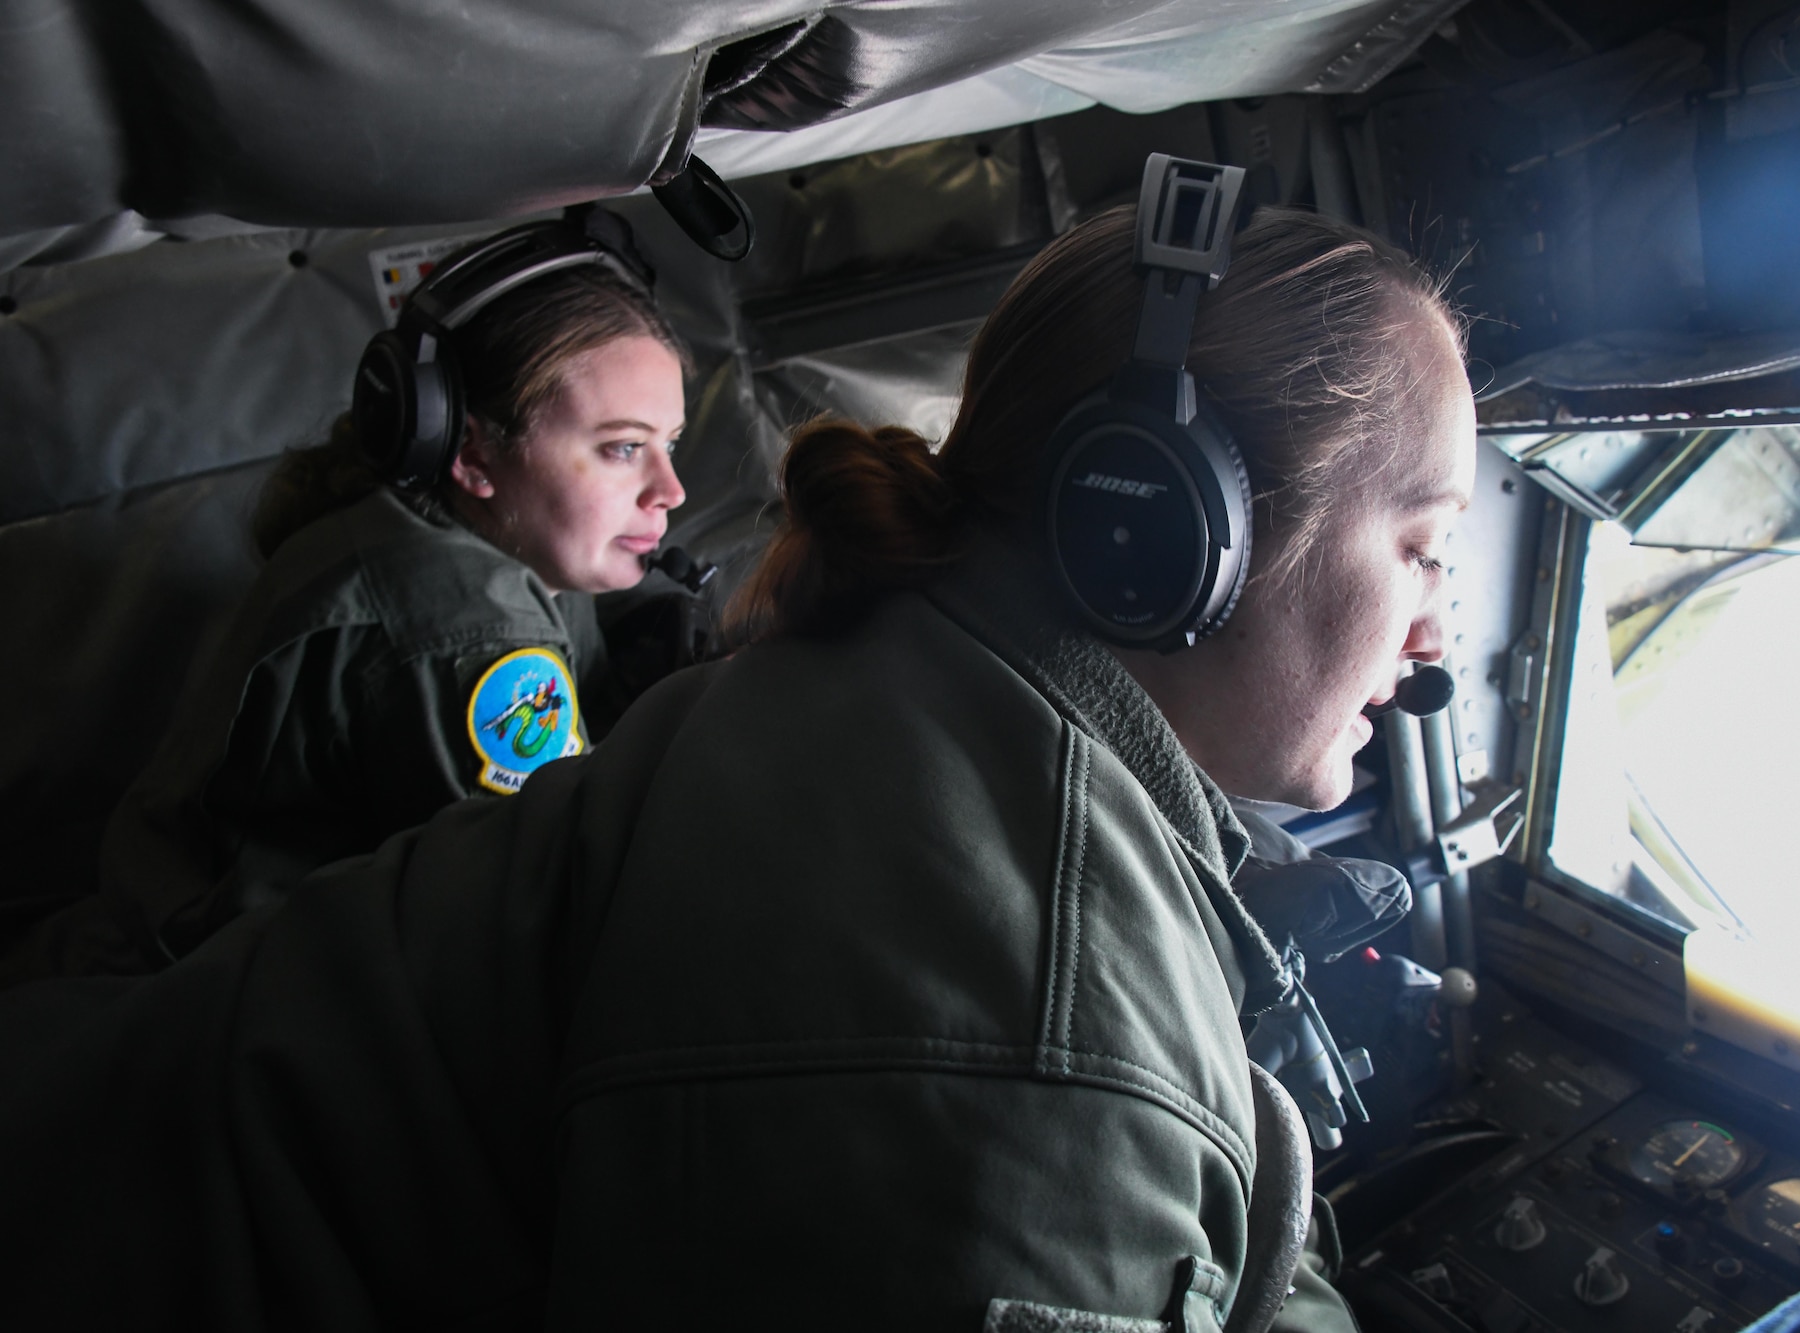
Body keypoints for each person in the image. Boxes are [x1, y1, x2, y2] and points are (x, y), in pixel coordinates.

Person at [0, 165, 1473, 1331]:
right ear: (1162, 525)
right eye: (1424, 549)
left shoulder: (873, 679)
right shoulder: (1027, 1017)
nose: (1437, 637)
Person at [0, 216, 691, 986]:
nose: (671, 490)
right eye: (623, 448)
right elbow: (557, 898)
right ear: (470, 453)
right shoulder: (463, 617)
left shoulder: (481, 533)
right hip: (187, 1012)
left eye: (671, 443)